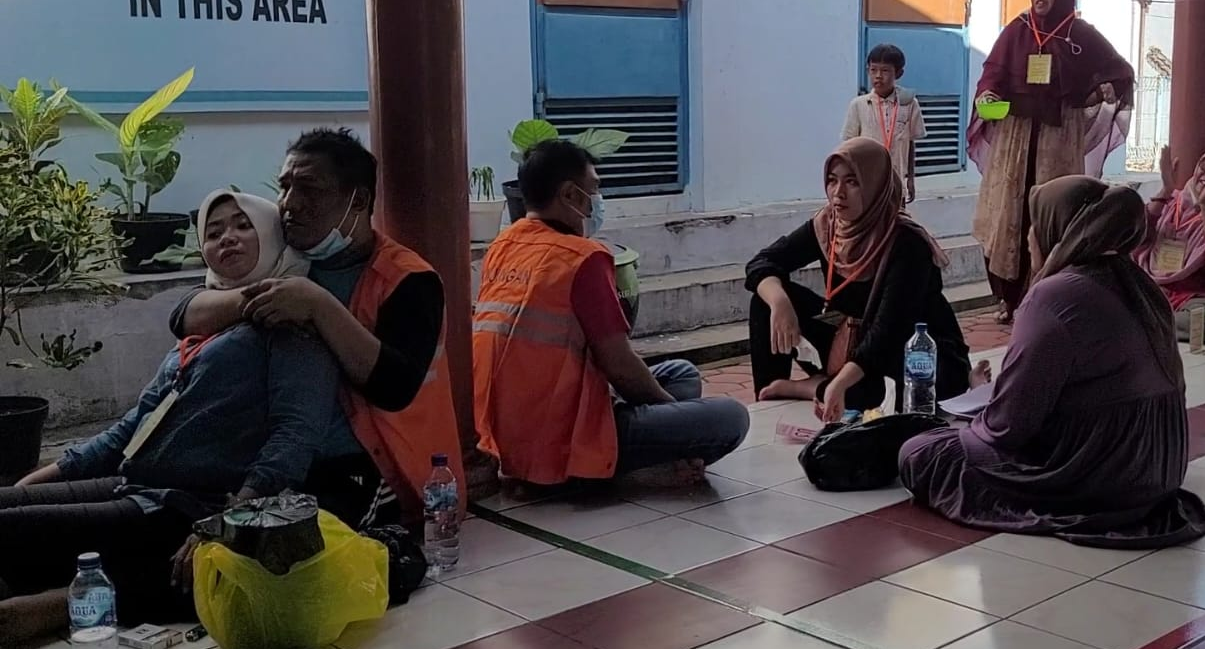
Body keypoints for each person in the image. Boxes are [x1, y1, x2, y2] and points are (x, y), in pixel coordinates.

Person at [0, 191, 339, 649]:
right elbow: (134, 427)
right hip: (135, 483)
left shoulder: (291, 329)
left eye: (243, 225)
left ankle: (53, 601)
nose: (228, 239)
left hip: (188, 507)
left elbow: (294, 437)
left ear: (271, 233)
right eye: (214, 232)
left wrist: (228, 521)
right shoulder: (201, 327)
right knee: (8, 504)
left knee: (12, 531)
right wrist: (45, 476)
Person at [900, 176, 1205, 546]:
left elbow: (1009, 427)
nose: (1030, 237)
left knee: (922, 451)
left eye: (1036, 224)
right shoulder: (1140, 282)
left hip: (1098, 473)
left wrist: (975, 418)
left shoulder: (1055, 295)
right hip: (1159, 470)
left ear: (1058, 229)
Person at [170, 128, 460, 529]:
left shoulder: (408, 279)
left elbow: (394, 387)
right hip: (272, 458)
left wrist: (318, 306)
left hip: (375, 468)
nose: (289, 204)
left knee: (255, 546)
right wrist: (255, 299)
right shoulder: (284, 259)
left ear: (357, 200)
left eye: (308, 189)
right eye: (284, 187)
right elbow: (184, 314)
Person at [475, 139, 750, 488]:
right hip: (560, 438)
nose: (598, 201)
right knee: (730, 418)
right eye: (594, 189)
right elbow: (619, 366)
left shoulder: (503, 245)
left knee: (681, 373)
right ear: (570, 195)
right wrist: (671, 413)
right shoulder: (580, 258)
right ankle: (616, 470)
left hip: (506, 429)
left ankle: (647, 451)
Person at [747, 138, 972, 422]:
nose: (838, 193)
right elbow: (762, 263)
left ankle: (814, 386)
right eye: (832, 180)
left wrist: (839, 384)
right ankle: (768, 402)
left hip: (910, 348)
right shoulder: (828, 225)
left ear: (875, 185)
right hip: (848, 335)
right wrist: (780, 303)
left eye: (852, 182)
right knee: (765, 299)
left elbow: (888, 331)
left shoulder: (906, 242)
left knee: (898, 389)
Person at [969, 0, 1135, 322]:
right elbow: (992, 73)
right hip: (1016, 132)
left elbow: (1120, 71)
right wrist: (986, 95)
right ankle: (1007, 299)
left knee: (1053, 211)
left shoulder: (1080, 32)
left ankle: (1045, 293)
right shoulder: (1017, 29)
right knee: (1007, 213)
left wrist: (1096, 91)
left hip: (1058, 136)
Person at [1135, 145, 1205, 343]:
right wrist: (1166, 189)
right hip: (1145, 288)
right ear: (1197, 166)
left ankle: (1139, 325)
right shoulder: (1168, 200)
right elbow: (1135, 237)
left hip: (1188, 298)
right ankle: (1148, 324)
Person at [841, 43, 927, 201]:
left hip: (896, 185)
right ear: (868, 71)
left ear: (899, 73)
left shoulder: (908, 104)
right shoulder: (858, 105)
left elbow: (911, 143)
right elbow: (848, 148)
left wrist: (911, 180)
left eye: (885, 71)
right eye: (873, 70)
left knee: (895, 223)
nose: (878, 76)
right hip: (866, 186)